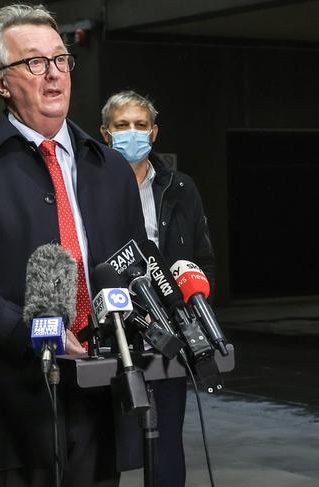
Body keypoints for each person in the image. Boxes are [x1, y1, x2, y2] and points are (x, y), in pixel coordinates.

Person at [0, 5, 146, 486]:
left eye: (61, 59)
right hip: (8, 397)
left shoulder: (109, 169)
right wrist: (27, 329)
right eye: (34, 63)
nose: (53, 75)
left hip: (99, 387)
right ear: (0, 82)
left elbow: (134, 265)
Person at [100, 90, 216, 487]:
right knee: (104, 448)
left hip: (169, 334)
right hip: (109, 331)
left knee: (166, 443)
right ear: (104, 133)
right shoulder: (88, 187)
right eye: (121, 125)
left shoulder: (181, 189)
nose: (131, 133)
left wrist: (192, 308)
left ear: (154, 133)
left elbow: (202, 260)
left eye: (140, 125)